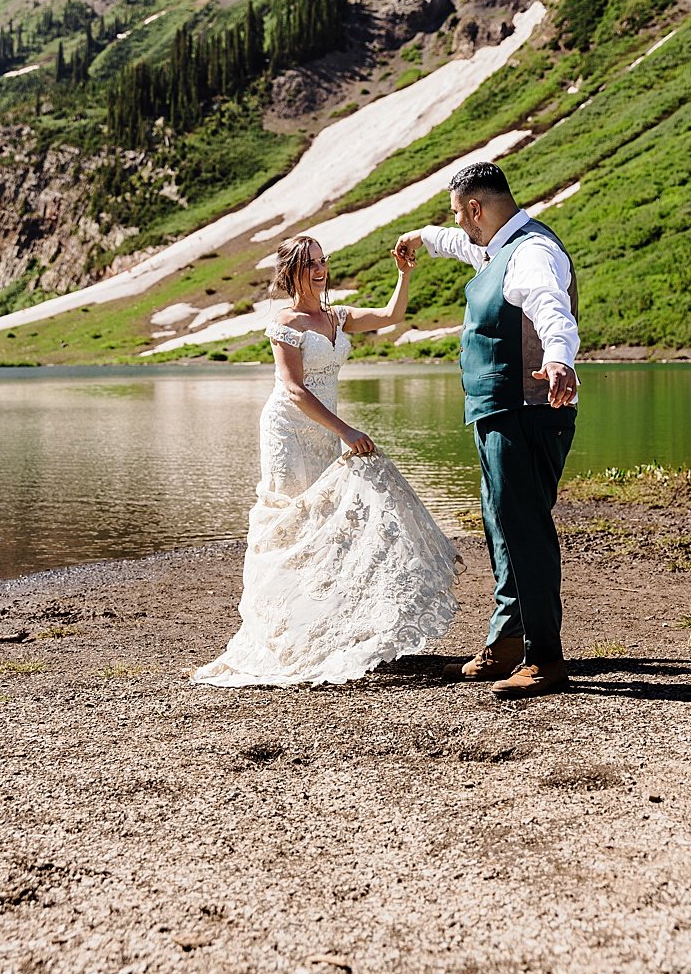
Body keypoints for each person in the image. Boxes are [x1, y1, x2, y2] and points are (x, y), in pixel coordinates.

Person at [190, 233, 459, 687]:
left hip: (323, 430)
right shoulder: (286, 321)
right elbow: (294, 390)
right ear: (291, 271)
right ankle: (277, 633)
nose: (320, 269)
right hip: (288, 430)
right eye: (310, 263)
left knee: (320, 526)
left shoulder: (336, 316)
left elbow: (392, 316)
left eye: (323, 260)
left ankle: (316, 629)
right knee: (289, 524)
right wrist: (347, 431)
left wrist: (403, 275)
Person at [396, 160, 579, 699]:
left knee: (524, 530)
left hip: (525, 410)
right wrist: (421, 238)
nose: (460, 227)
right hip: (498, 412)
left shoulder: (531, 253)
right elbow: (460, 247)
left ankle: (545, 659)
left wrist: (560, 360)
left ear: (476, 208)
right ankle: (507, 642)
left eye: (460, 216)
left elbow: (551, 309)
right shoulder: (497, 246)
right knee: (501, 528)